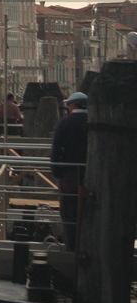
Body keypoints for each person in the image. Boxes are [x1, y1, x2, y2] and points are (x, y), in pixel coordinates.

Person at [51, 92, 89, 250]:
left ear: (73, 105)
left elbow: (56, 151)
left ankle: (71, 247)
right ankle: (88, 245)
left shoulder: (65, 123)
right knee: (90, 212)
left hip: (69, 175)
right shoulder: (93, 121)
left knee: (68, 213)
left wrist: (57, 173)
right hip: (92, 175)